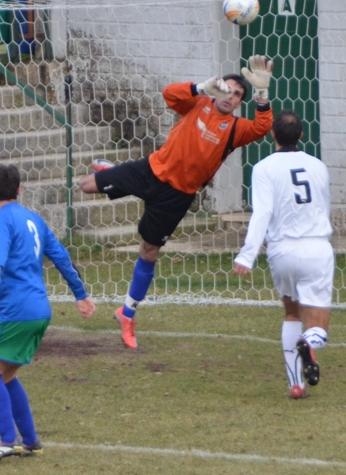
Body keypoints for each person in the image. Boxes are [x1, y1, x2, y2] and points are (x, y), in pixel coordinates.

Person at [79, 56, 275, 349]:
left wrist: (262, 93)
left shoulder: (236, 129)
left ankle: (127, 314)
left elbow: (262, 127)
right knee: (86, 185)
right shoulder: (198, 103)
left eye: (236, 94)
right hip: (151, 170)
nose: (230, 96)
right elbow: (169, 94)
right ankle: (115, 175)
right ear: (216, 89)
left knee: (149, 252)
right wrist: (199, 87)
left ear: (238, 104)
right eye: (226, 88)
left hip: (177, 196)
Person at [0, 164, 96, 464]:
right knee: (6, 374)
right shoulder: (34, 219)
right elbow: (62, 257)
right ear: (19, 190)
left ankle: (6, 440)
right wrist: (81, 294)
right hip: (40, 310)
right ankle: (30, 441)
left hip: (16, 311)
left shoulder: (0, 221)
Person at [233, 110, 333, 399]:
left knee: (291, 313)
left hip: (282, 251)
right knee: (318, 326)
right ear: (301, 135)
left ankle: (296, 384)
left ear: (272, 134)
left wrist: (247, 255)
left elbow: (262, 213)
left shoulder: (263, 167)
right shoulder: (318, 166)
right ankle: (308, 342)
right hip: (316, 248)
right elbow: (324, 207)